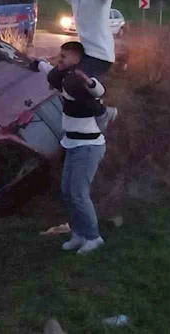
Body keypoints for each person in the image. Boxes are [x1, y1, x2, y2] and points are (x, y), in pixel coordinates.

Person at [30, 42, 107, 255]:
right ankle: (79, 234)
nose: (60, 58)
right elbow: (50, 71)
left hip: (89, 146)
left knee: (79, 194)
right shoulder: (67, 80)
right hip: (73, 143)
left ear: (76, 58)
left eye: (64, 56)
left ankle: (93, 237)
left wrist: (89, 83)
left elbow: (98, 89)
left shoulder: (78, 82)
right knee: (67, 191)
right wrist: (36, 63)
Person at [27, 0, 117, 128]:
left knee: (72, 84)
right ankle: (84, 104)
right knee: (54, 77)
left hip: (101, 57)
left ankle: (102, 113)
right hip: (85, 54)